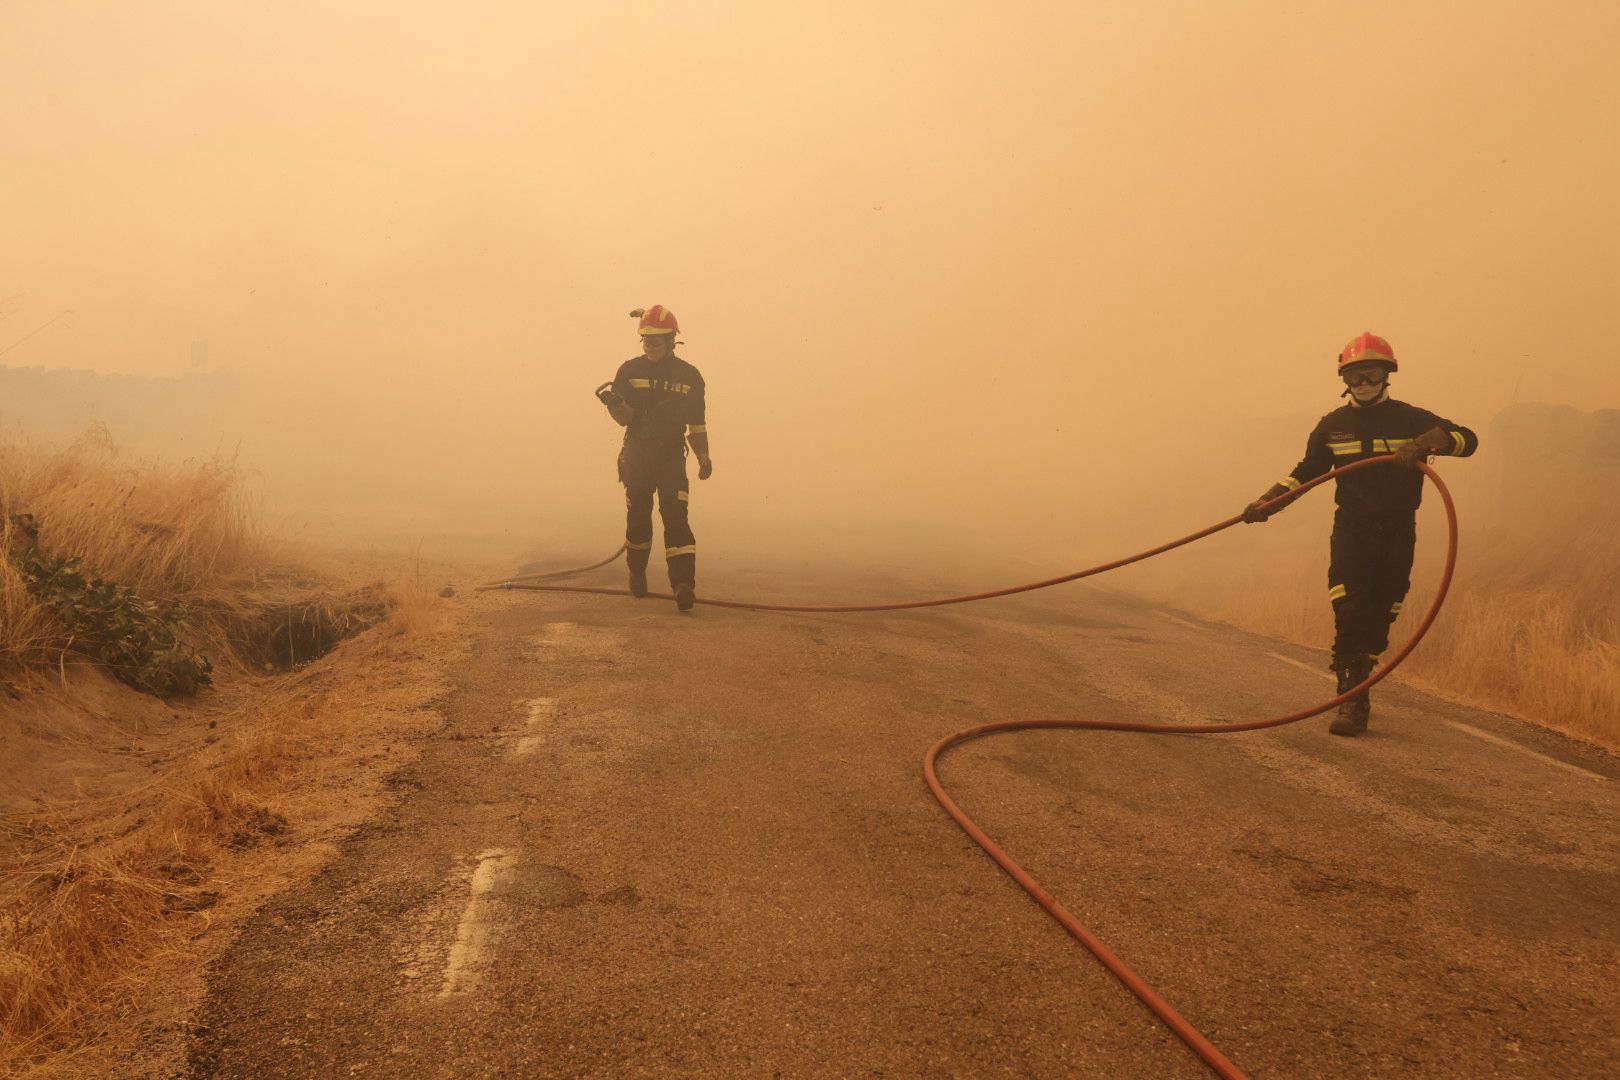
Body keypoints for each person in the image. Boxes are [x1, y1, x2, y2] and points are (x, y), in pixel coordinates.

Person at [1241, 332, 1478, 736]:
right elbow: (1306, 472)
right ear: (1344, 380)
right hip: (1352, 532)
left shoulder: (1411, 418)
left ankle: (1362, 670)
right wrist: (1270, 501)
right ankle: (1352, 699)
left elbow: (1468, 441)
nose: (1364, 383)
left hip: (1398, 532)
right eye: (1355, 376)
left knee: (1382, 615)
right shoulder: (1333, 426)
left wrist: (1429, 440)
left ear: (1387, 375)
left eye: (1371, 373)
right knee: (1350, 610)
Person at [596, 305, 712, 611]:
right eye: (646, 338)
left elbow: (697, 423)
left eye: (657, 338)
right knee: (638, 517)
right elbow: (625, 420)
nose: (651, 344)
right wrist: (615, 405)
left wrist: (704, 457)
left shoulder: (690, 377)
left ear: (672, 339)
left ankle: (683, 585)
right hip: (637, 455)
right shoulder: (629, 372)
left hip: (671, 456)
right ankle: (637, 571)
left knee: (675, 516)